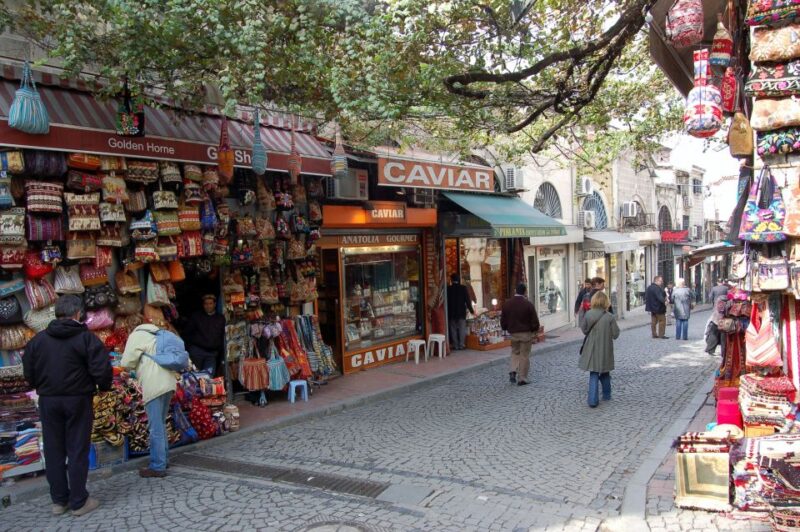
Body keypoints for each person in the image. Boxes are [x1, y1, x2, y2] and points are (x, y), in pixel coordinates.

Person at [22, 295, 111, 516]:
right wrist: (103, 386)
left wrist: (41, 386)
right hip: (78, 399)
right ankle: (79, 501)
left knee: (54, 449)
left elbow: (28, 373)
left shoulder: (38, 341)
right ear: (79, 314)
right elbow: (102, 370)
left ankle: (59, 501)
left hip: (49, 400)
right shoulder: (86, 339)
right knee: (77, 449)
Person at [121, 321, 179, 478]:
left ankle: (158, 466)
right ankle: (163, 459)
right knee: (160, 423)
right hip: (169, 382)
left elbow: (126, 362)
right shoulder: (158, 334)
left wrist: (127, 370)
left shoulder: (136, 336)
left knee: (155, 427)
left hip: (154, 385)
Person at [579, 291, 620, 408]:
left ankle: (592, 400)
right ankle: (606, 395)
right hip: (605, 348)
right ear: (606, 302)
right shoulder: (609, 317)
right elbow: (616, 334)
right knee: (605, 371)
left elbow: (584, 330)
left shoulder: (588, 314)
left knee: (594, 372)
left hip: (591, 348)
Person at [500, 283, 540, 386]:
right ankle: (522, 378)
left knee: (515, 352)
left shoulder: (507, 304)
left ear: (515, 291)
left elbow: (503, 320)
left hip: (513, 333)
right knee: (524, 355)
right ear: (525, 291)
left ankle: (513, 370)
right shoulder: (528, 304)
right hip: (526, 333)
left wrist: (505, 328)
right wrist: (534, 331)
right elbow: (535, 321)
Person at [183, 294, 226, 375]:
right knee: (195, 376)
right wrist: (190, 349)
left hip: (212, 354)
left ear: (215, 304)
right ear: (203, 305)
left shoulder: (220, 318)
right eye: (206, 304)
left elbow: (222, 336)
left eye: (210, 303)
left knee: (209, 376)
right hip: (197, 352)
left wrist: (220, 354)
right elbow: (187, 333)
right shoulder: (196, 316)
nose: (208, 306)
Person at [446, 274, 474, 351]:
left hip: (451, 313)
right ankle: (461, 345)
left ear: (451, 280)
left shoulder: (448, 289)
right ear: (459, 280)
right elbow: (468, 301)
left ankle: (455, 345)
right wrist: (472, 311)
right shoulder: (463, 288)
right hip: (461, 312)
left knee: (453, 329)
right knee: (462, 329)